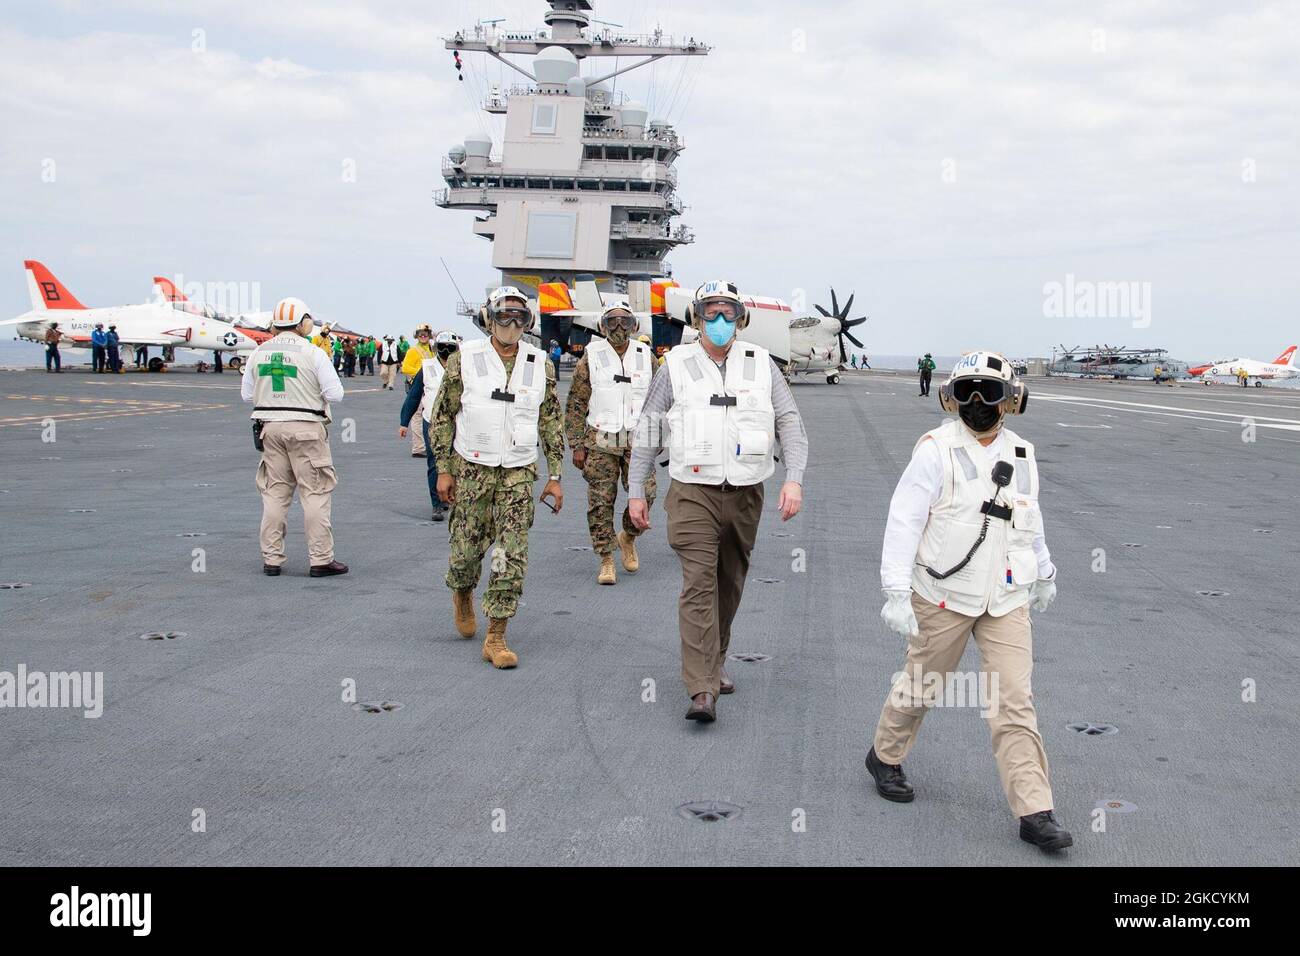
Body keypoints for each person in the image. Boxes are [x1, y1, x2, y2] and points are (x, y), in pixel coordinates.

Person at [868, 350, 1070, 852]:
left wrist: (1044, 573)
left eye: (989, 392)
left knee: (1013, 702)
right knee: (922, 683)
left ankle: (1034, 810)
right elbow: (904, 520)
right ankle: (884, 755)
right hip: (943, 593)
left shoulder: (1022, 453)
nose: (977, 402)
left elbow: (1031, 519)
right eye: (966, 392)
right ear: (950, 398)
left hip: (1005, 597)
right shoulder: (935, 450)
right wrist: (895, 590)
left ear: (1012, 400)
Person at [628, 280, 807, 722]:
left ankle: (717, 659)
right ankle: (701, 688)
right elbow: (650, 428)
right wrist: (636, 490)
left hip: (747, 493)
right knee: (698, 583)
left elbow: (789, 422)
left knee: (729, 582)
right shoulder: (675, 366)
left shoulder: (763, 364)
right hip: (692, 492)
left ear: (741, 320)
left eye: (729, 313)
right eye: (712, 312)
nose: (720, 321)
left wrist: (794, 480)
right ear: (696, 317)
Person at [429, 287, 564, 669]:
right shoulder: (464, 358)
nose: (511, 323)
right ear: (489, 318)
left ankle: (497, 635)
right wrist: (443, 468)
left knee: (512, 552)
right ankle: (462, 590)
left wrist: (555, 474)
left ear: (528, 322)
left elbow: (550, 420)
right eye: (503, 315)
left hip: (519, 472)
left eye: (519, 316)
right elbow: (442, 416)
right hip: (471, 468)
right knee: (465, 553)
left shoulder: (540, 363)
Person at [240, 297, 348, 578]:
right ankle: (321, 559)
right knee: (315, 493)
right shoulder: (313, 353)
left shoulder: (258, 352)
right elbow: (335, 394)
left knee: (274, 493)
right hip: (307, 429)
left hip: (270, 429)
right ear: (303, 323)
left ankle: (272, 559)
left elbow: (247, 395)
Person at [565, 300, 656, 585]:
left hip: (638, 441)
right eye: (612, 321)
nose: (619, 327)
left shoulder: (646, 356)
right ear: (603, 326)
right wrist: (576, 444)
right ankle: (606, 558)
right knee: (601, 502)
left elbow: (662, 400)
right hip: (600, 440)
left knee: (647, 494)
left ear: (634, 325)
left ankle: (627, 537)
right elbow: (577, 403)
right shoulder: (590, 356)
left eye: (625, 321)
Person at [400, 330, 458, 521]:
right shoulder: (427, 367)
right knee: (434, 462)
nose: (446, 350)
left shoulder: (463, 367)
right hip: (431, 422)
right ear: (436, 348)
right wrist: (404, 422)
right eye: (442, 347)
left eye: (450, 347)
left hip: (457, 421)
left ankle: (453, 498)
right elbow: (414, 396)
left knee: (456, 461)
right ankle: (437, 504)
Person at [401, 324, 437, 456]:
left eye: (426, 333)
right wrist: (421, 373)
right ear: (416, 335)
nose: (423, 335)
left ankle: (427, 445)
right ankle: (419, 448)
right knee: (417, 417)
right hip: (418, 387)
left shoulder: (432, 350)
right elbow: (405, 368)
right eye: (421, 333)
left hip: (430, 388)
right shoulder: (413, 351)